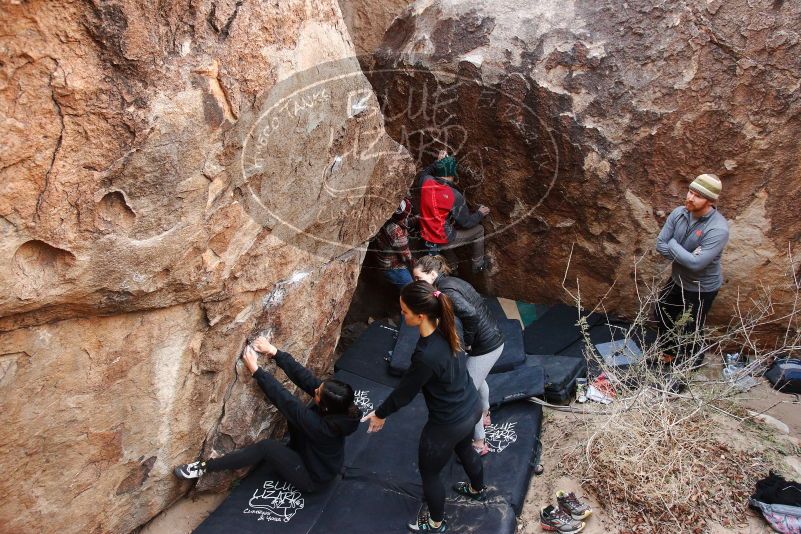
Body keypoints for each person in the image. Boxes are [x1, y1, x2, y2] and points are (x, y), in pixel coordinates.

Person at [362, 281, 486, 533]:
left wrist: (380, 414)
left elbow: (405, 392)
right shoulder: (453, 324)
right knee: (464, 447)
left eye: (404, 312)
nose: (401, 315)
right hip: (471, 407)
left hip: (447, 423)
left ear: (420, 316)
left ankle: (436, 524)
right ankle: (476, 490)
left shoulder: (426, 355)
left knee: (429, 473)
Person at [173, 337, 360, 492]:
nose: (315, 390)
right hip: (315, 455)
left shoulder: (322, 428)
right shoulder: (340, 405)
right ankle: (294, 452)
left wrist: (256, 370)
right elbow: (305, 378)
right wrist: (275, 352)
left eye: (317, 393)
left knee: (268, 447)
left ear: (325, 407)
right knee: (296, 418)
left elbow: (286, 400)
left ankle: (205, 467)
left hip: (313, 478)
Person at [413, 255, 504, 455]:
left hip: (486, 345)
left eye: (419, 278)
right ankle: (486, 412)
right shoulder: (451, 281)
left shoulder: (446, 290)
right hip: (491, 338)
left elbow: (470, 314)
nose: (416, 283)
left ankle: (479, 442)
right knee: (477, 380)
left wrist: (468, 342)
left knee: (468, 393)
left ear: (433, 274)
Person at [655, 173, 729, 365]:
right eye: (690, 192)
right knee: (662, 311)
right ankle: (669, 352)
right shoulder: (679, 213)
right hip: (678, 279)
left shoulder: (717, 229)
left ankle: (692, 362)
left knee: (691, 327)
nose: (690, 198)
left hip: (701, 288)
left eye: (697, 195)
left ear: (710, 201)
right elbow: (660, 244)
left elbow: (696, 265)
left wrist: (673, 244)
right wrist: (685, 255)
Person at [414, 151, 490, 273]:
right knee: (479, 230)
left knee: (446, 235)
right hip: (442, 237)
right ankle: (478, 264)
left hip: (426, 234)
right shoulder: (454, 195)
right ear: (452, 173)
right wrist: (480, 214)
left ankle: (453, 268)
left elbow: (425, 172)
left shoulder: (426, 182)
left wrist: (438, 163)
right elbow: (466, 223)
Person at [374, 197, 414, 289]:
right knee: (410, 286)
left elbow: (405, 221)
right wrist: (415, 266)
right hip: (390, 267)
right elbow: (407, 257)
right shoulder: (396, 231)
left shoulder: (385, 218)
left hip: (380, 255)